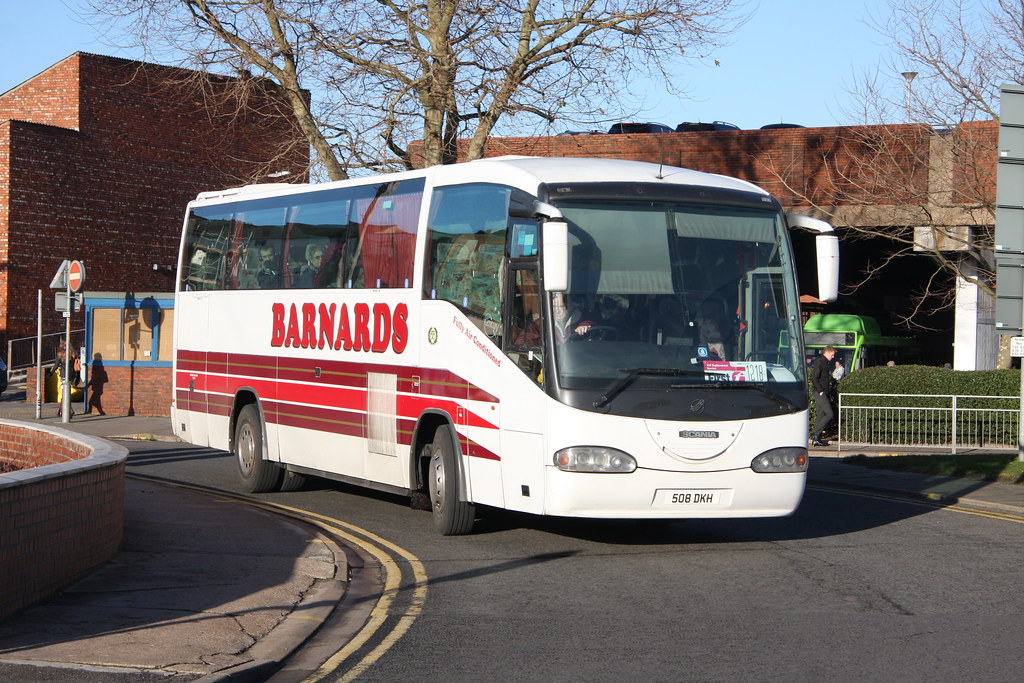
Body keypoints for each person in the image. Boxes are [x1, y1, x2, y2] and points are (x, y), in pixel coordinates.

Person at [810, 345, 836, 447]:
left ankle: (817, 439)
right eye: (832, 355)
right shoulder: (820, 362)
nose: (833, 357)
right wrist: (820, 391)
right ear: (827, 352)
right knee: (829, 414)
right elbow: (814, 378)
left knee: (820, 415)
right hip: (819, 392)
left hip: (823, 392)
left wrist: (828, 394)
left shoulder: (824, 362)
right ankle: (815, 435)